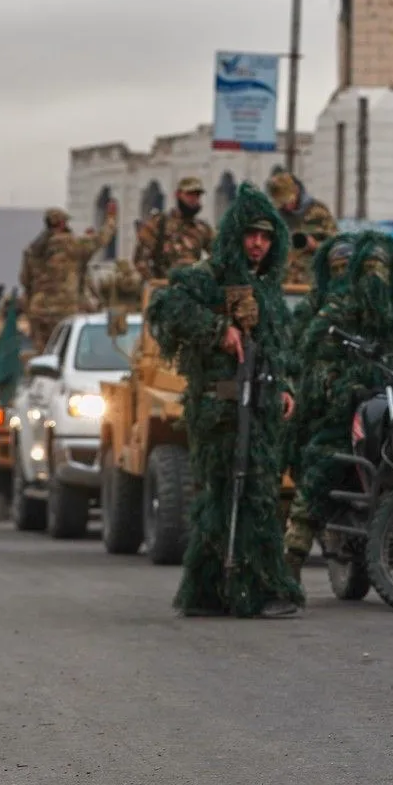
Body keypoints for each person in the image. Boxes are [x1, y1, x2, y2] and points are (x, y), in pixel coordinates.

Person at [146, 183, 302, 618]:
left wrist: (286, 385)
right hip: (220, 407)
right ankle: (239, 591)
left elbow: (276, 343)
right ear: (236, 235)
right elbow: (165, 309)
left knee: (257, 494)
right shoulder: (208, 276)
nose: (258, 244)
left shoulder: (266, 288)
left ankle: (227, 590)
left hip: (262, 406)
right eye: (252, 234)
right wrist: (219, 331)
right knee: (225, 495)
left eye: (267, 236)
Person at [284, 232, 393, 585]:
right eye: (343, 268)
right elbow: (312, 358)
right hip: (341, 411)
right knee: (323, 459)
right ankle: (291, 558)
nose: (374, 278)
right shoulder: (328, 309)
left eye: (381, 270)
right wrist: (342, 388)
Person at [20, 204, 117, 349]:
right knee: (65, 352)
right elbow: (101, 239)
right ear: (62, 223)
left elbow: (24, 280)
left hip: (39, 311)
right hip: (64, 310)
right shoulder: (72, 244)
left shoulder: (32, 250)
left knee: (43, 355)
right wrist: (111, 219)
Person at [133, 176, 214, 282]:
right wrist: (155, 281)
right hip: (164, 288)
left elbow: (218, 256)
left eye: (197, 195)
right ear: (178, 195)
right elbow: (140, 261)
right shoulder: (158, 224)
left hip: (193, 288)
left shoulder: (202, 228)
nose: (194, 199)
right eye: (189, 195)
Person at [266, 170, 338, 289]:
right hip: (282, 284)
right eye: (281, 202)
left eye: (287, 201)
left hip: (310, 284)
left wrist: (315, 246)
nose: (285, 206)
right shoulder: (275, 215)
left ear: (296, 191)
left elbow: (337, 246)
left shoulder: (319, 212)